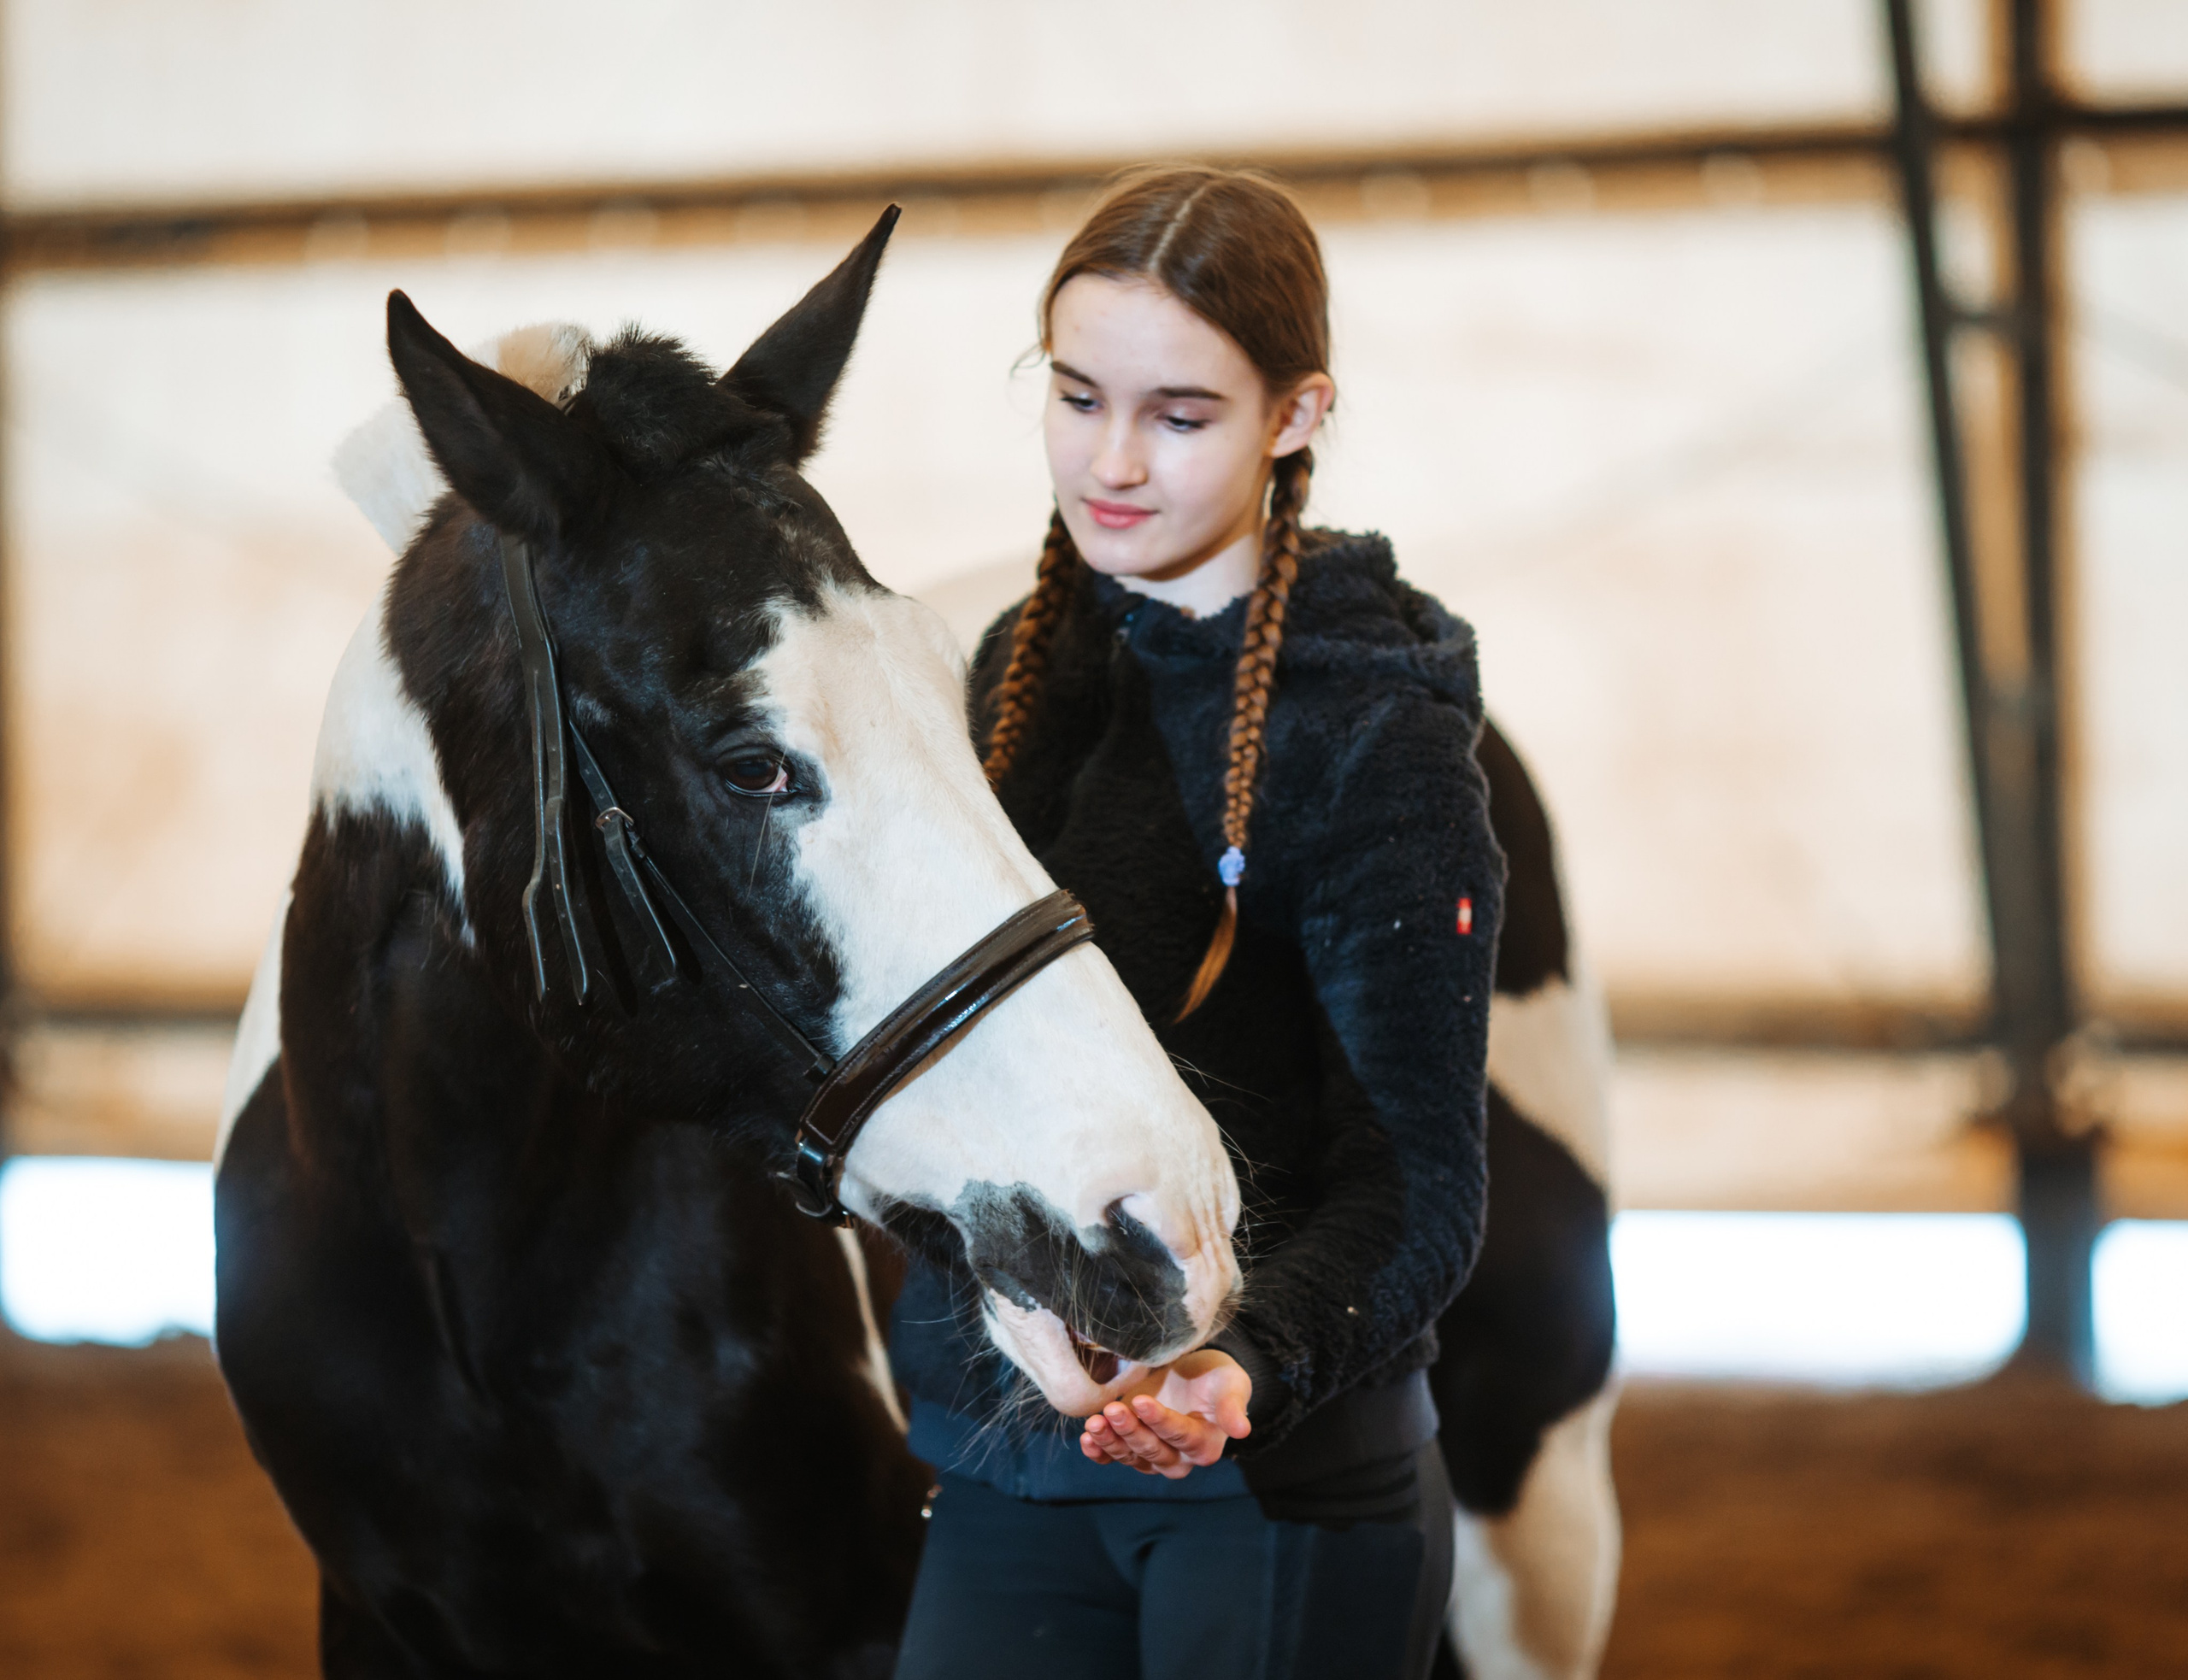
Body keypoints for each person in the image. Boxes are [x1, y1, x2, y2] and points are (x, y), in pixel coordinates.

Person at [887, 164, 1503, 1680]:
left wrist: (1239, 1364)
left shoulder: (1376, 737)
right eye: (1076, 396)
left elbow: (1420, 1182)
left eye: (1179, 416)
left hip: (1274, 1493)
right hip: (1004, 1468)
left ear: (1295, 415)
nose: (1110, 461)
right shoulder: (1010, 675)